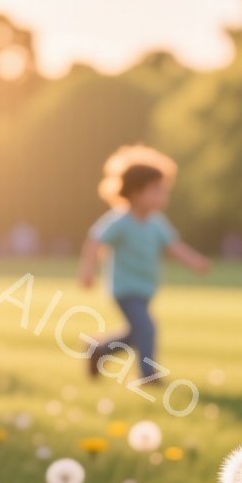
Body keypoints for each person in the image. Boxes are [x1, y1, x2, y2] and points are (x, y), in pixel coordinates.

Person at [78, 146, 209, 380]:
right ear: (136, 192)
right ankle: (148, 375)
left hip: (146, 287)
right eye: (157, 190)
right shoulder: (121, 221)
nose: (163, 196)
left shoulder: (157, 222)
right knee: (147, 328)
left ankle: (99, 350)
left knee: (136, 333)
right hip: (125, 288)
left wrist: (195, 261)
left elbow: (174, 246)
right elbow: (94, 241)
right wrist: (88, 271)